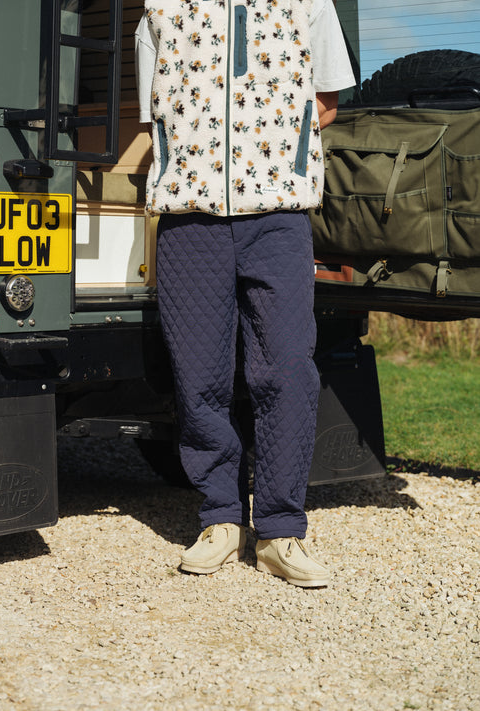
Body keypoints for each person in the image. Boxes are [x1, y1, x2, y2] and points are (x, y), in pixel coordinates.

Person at [135, 0, 355, 587]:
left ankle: (280, 531)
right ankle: (220, 520)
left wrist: (271, 145)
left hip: (279, 215)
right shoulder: (159, 7)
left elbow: (327, 101)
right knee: (198, 376)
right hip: (189, 217)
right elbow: (154, 113)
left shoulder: (309, 3)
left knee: (287, 369)